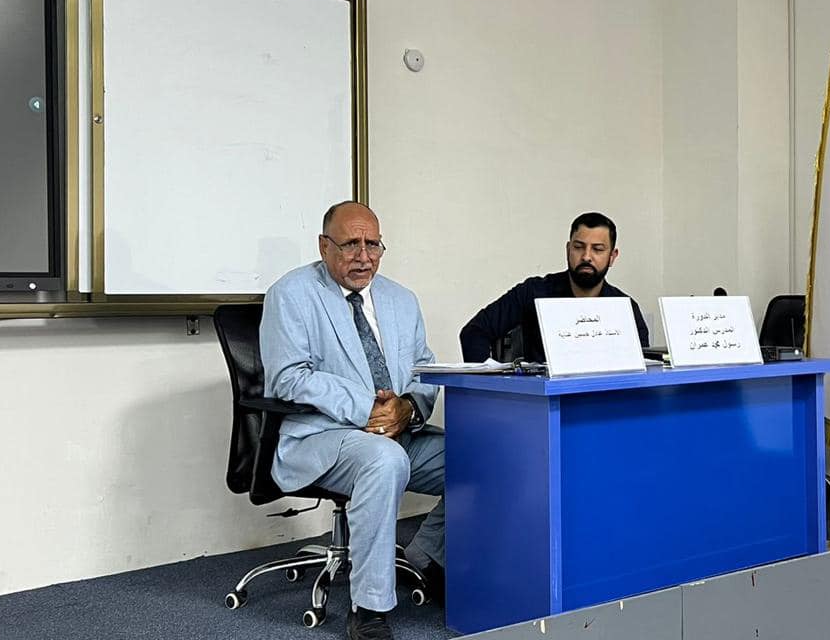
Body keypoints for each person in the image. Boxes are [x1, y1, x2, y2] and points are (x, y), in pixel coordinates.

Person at [260, 201, 443, 640]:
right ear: (324, 246)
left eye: (373, 244)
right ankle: (369, 610)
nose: (364, 256)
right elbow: (288, 376)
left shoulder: (401, 300)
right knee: (383, 460)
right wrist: (367, 408)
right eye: (350, 245)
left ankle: (426, 555)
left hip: (398, 431)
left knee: (484, 457)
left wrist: (408, 407)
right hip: (325, 437)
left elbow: (423, 369)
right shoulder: (292, 294)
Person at [459, 211, 649, 362]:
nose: (586, 256)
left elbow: (644, 368)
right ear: (568, 249)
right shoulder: (534, 292)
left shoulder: (625, 308)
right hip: (541, 396)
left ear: (612, 257)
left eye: (597, 249)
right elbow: (474, 332)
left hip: (606, 397)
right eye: (578, 247)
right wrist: (490, 384)